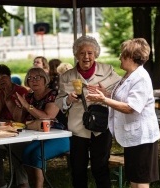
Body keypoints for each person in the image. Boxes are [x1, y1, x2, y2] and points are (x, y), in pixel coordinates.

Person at [86, 38, 160, 188]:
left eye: (122, 55)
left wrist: (104, 100)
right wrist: (105, 94)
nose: (119, 57)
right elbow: (122, 98)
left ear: (132, 58)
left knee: (141, 180)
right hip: (133, 137)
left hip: (142, 138)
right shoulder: (129, 75)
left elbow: (131, 107)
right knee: (134, 178)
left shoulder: (141, 78)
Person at [55, 35, 120, 188]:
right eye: (82, 53)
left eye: (90, 53)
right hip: (78, 128)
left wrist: (106, 93)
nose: (86, 57)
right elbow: (59, 101)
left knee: (101, 167)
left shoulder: (108, 70)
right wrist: (68, 100)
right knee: (78, 169)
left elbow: (121, 92)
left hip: (101, 126)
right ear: (76, 55)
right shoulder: (67, 76)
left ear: (95, 54)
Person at [15, 67, 69, 188]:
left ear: (45, 79)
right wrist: (20, 106)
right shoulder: (29, 97)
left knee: (37, 154)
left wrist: (27, 106)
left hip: (61, 136)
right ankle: (32, 184)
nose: (33, 80)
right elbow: (19, 121)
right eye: (30, 78)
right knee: (26, 153)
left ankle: (39, 186)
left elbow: (48, 117)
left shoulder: (54, 94)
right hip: (39, 136)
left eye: (37, 77)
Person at [0, 64, 30, 188]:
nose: (1, 80)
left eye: (3, 77)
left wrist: (8, 101)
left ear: (10, 77)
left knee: (15, 148)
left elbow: (19, 118)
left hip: (21, 131)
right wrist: (0, 105)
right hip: (4, 130)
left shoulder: (21, 91)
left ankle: (23, 182)